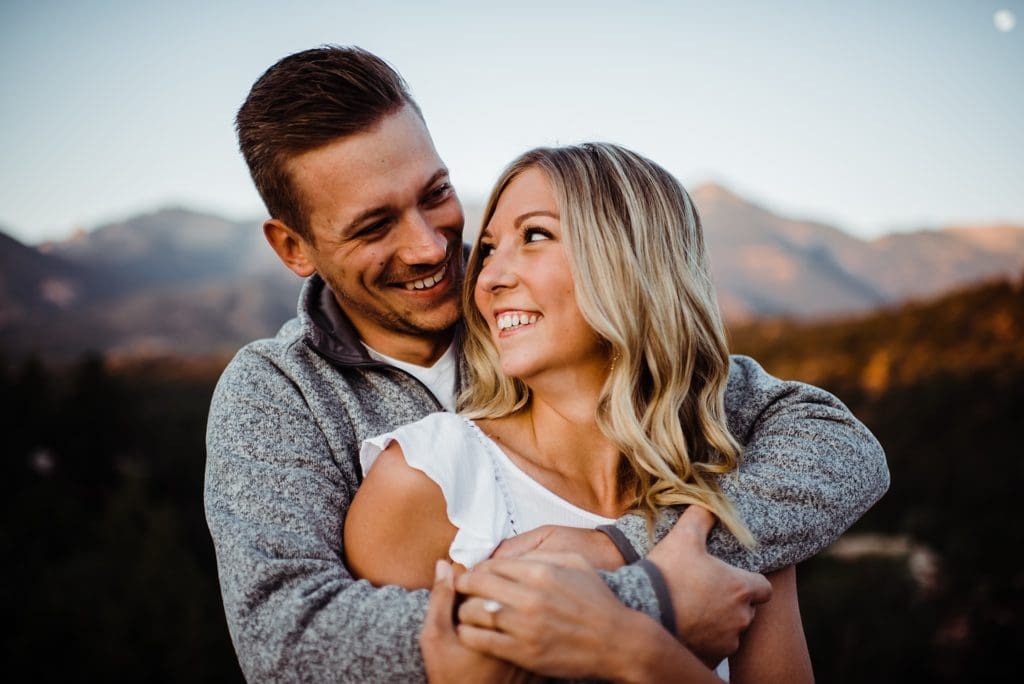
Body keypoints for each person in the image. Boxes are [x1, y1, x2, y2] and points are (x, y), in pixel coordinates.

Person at [204, 45, 889, 682]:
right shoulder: (283, 393)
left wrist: (626, 547)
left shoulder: (548, 315)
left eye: (435, 194)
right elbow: (288, 640)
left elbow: (832, 442)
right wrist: (641, 605)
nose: (431, 248)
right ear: (294, 247)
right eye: (374, 226)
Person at [346, 143, 814, 682]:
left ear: (633, 259)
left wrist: (638, 651)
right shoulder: (429, 480)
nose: (490, 278)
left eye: (535, 235)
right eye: (491, 248)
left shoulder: (735, 495)